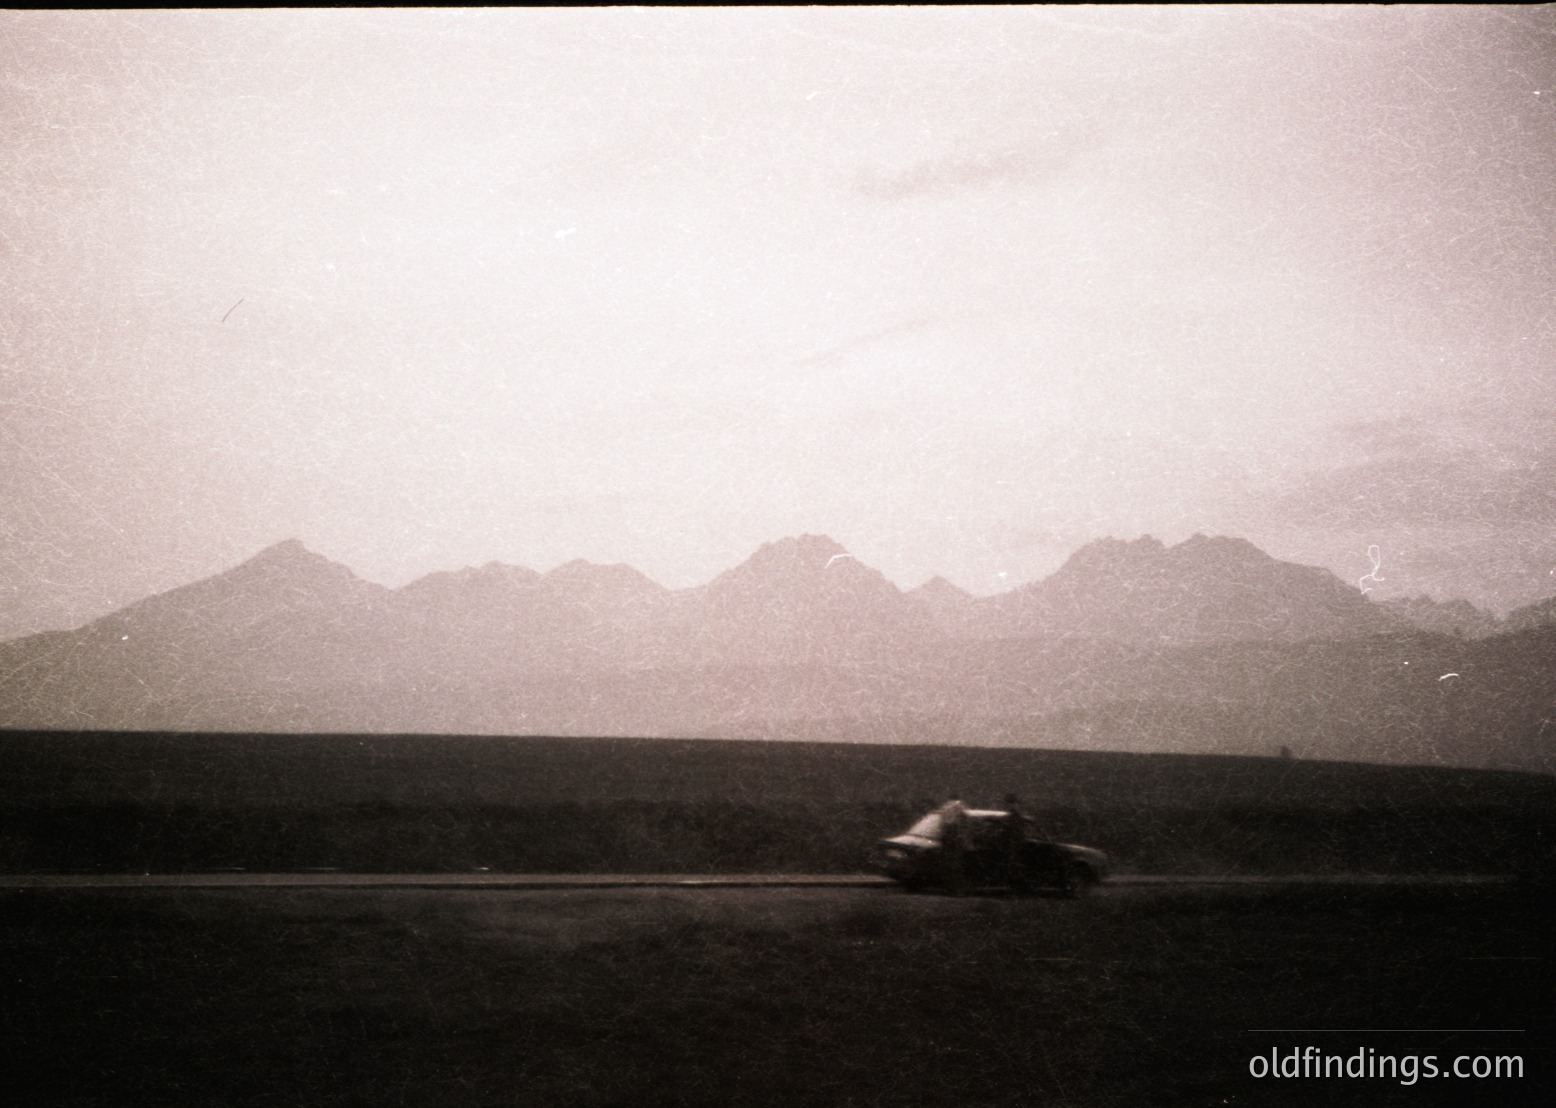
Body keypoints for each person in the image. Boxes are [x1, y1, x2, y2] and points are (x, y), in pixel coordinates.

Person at [937, 798, 969, 895]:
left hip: (946, 835)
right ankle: (957, 889)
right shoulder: (958, 804)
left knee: (947, 864)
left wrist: (942, 836)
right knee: (956, 864)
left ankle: (948, 888)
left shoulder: (944, 807)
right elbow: (963, 818)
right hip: (953, 834)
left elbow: (941, 824)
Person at [1000, 793, 1027, 891]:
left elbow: (1014, 831)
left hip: (1013, 844)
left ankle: (1015, 885)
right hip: (1014, 843)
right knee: (1014, 865)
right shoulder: (1014, 816)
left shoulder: (1013, 816)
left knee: (1014, 864)